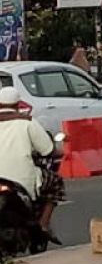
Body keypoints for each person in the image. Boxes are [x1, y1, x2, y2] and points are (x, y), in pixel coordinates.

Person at [0, 86, 62, 242]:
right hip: (20, 179)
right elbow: (47, 150)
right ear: (18, 104)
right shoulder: (27, 122)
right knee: (55, 182)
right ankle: (43, 225)